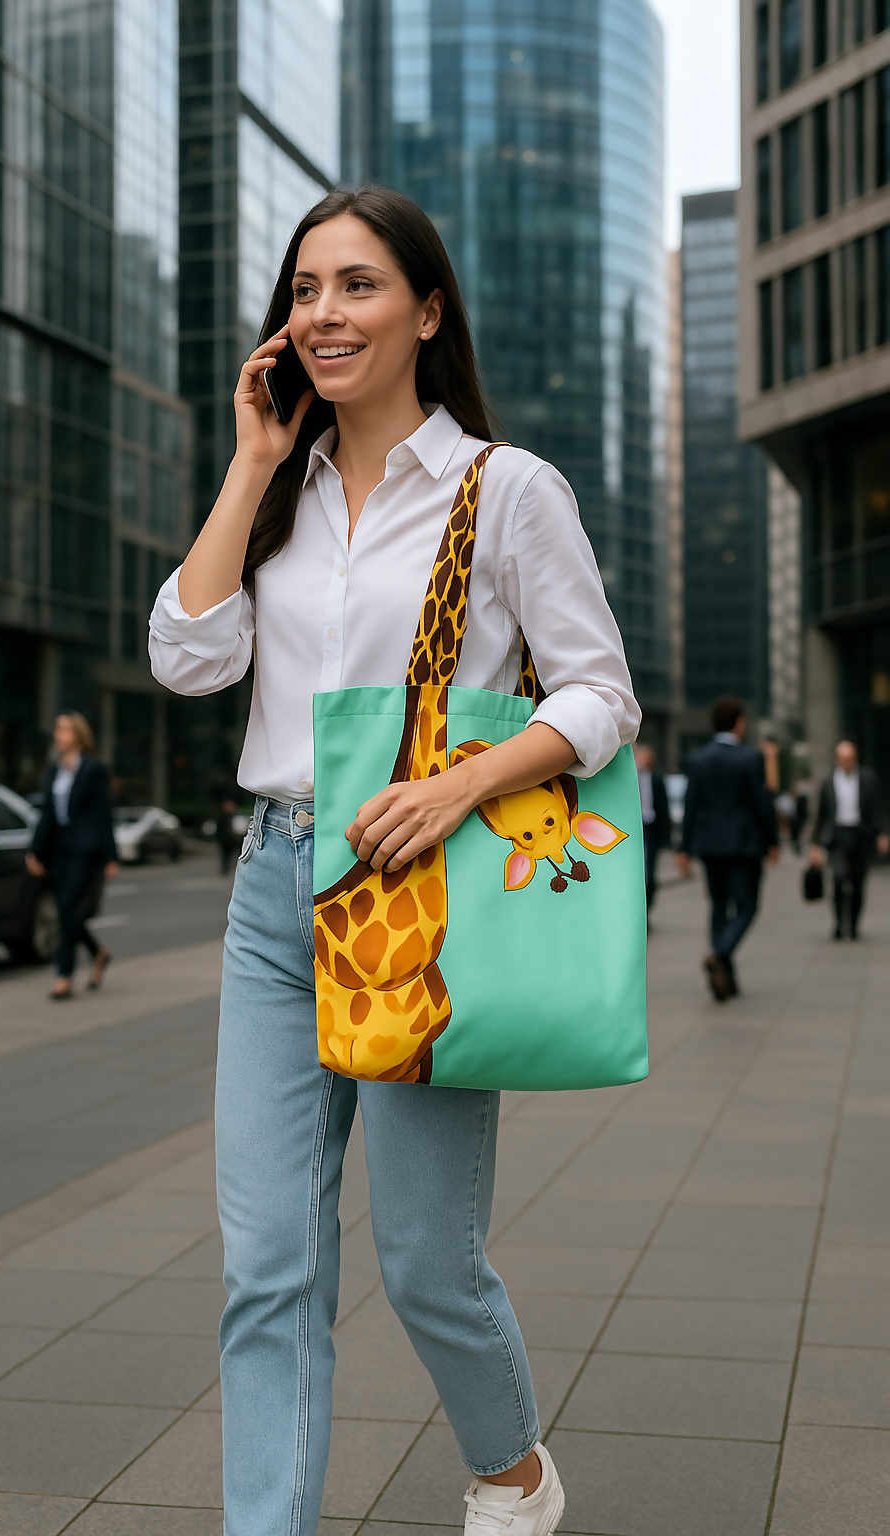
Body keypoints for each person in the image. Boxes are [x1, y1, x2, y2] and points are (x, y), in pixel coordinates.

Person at [148, 185, 638, 1536]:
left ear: (426, 312)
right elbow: (186, 661)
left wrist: (463, 780)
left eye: (357, 286)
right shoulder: (283, 489)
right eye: (304, 290)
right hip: (274, 893)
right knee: (267, 1266)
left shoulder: (506, 489)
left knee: (427, 1262)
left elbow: (601, 697)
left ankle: (514, 1471)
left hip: (425, 896)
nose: (324, 313)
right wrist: (250, 462)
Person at [675, 696, 778, 1001]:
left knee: (718, 905)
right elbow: (762, 803)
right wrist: (772, 840)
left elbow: (691, 806)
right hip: (745, 845)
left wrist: (684, 848)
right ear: (739, 723)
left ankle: (725, 979)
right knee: (747, 907)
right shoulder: (750, 758)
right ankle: (719, 953)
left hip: (710, 845)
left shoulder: (699, 759)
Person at [26, 713, 119, 1000]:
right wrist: (35, 851)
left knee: (67, 905)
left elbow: (103, 813)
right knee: (66, 910)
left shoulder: (93, 769)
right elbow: (47, 815)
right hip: (60, 849)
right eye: (58, 729)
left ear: (78, 735)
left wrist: (111, 856)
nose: (59, 734)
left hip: (85, 849)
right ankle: (97, 951)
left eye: (65, 729)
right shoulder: (54, 771)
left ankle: (63, 975)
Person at [810, 740, 888, 939]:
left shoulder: (868, 779)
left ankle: (853, 925)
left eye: (850, 758)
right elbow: (821, 814)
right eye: (843, 758)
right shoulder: (828, 782)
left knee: (858, 881)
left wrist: (881, 834)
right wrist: (815, 845)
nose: (847, 762)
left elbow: (875, 809)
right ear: (836, 760)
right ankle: (838, 923)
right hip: (837, 835)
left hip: (860, 835)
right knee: (838, 877)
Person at [634, 742, 671, 920]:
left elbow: (664, 807)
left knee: (649, 873)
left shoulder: (656, 779)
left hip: (651, 829)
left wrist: (666, 836)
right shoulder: (630, 778)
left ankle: (645, 911)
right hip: (635, 828)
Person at [215, 796, 242, 874]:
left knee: (233, 853)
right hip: (224, 839)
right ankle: (225, 868)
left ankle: (234, 867)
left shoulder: (232, 816)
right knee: (225, 854)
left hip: (231, 839)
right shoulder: (222, 817)